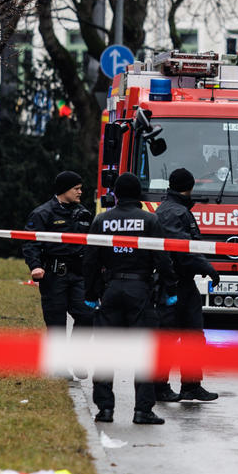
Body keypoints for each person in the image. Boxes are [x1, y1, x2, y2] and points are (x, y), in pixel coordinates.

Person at [84, 173, 178, 425]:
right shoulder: (150, 220)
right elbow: (162, 258)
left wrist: (91, 295)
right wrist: (170, 289)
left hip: (111, 289)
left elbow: (91, 260)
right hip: (140, 290)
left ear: (115, 193)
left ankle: (104, 409)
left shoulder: (101, 220)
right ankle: (142, 410)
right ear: (139, 195)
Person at [153, 168, 221, 403]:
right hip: (172, 284)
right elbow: (183, 250)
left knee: (192, 335)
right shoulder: (175, 212)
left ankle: (191, 386)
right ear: (190, 186)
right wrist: (208, 268)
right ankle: (159, 387)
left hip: (182, 283)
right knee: (169, 337)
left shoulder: (174, 209)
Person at [23, 171, 95, 330]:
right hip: (54, 277)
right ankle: (59, 354)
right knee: (56, 326)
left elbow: (92, 242)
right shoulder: (43, 214)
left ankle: (75, 354)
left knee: (88, 316)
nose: (80, 192)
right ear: (64, 189)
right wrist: (35, 265)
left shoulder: (83, 213)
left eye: (80, 188)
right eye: (76, 188)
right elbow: (31, 242)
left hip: (79, 275)